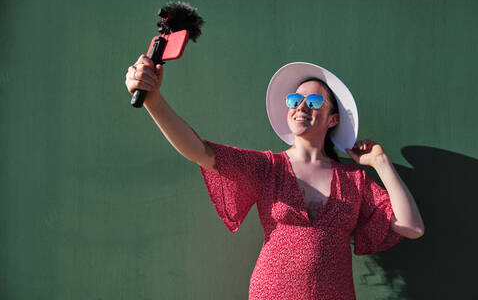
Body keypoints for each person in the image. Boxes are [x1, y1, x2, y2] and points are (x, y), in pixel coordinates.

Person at [125, 56, 425, 300]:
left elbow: (412, 227)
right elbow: (200, 151)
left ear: (333, 119)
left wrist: (381, 164)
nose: (302, 106)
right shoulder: (268, 167)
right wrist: (154, 101)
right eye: (296, 99)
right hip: (272, 292)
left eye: (315, 102)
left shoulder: (354, 179)